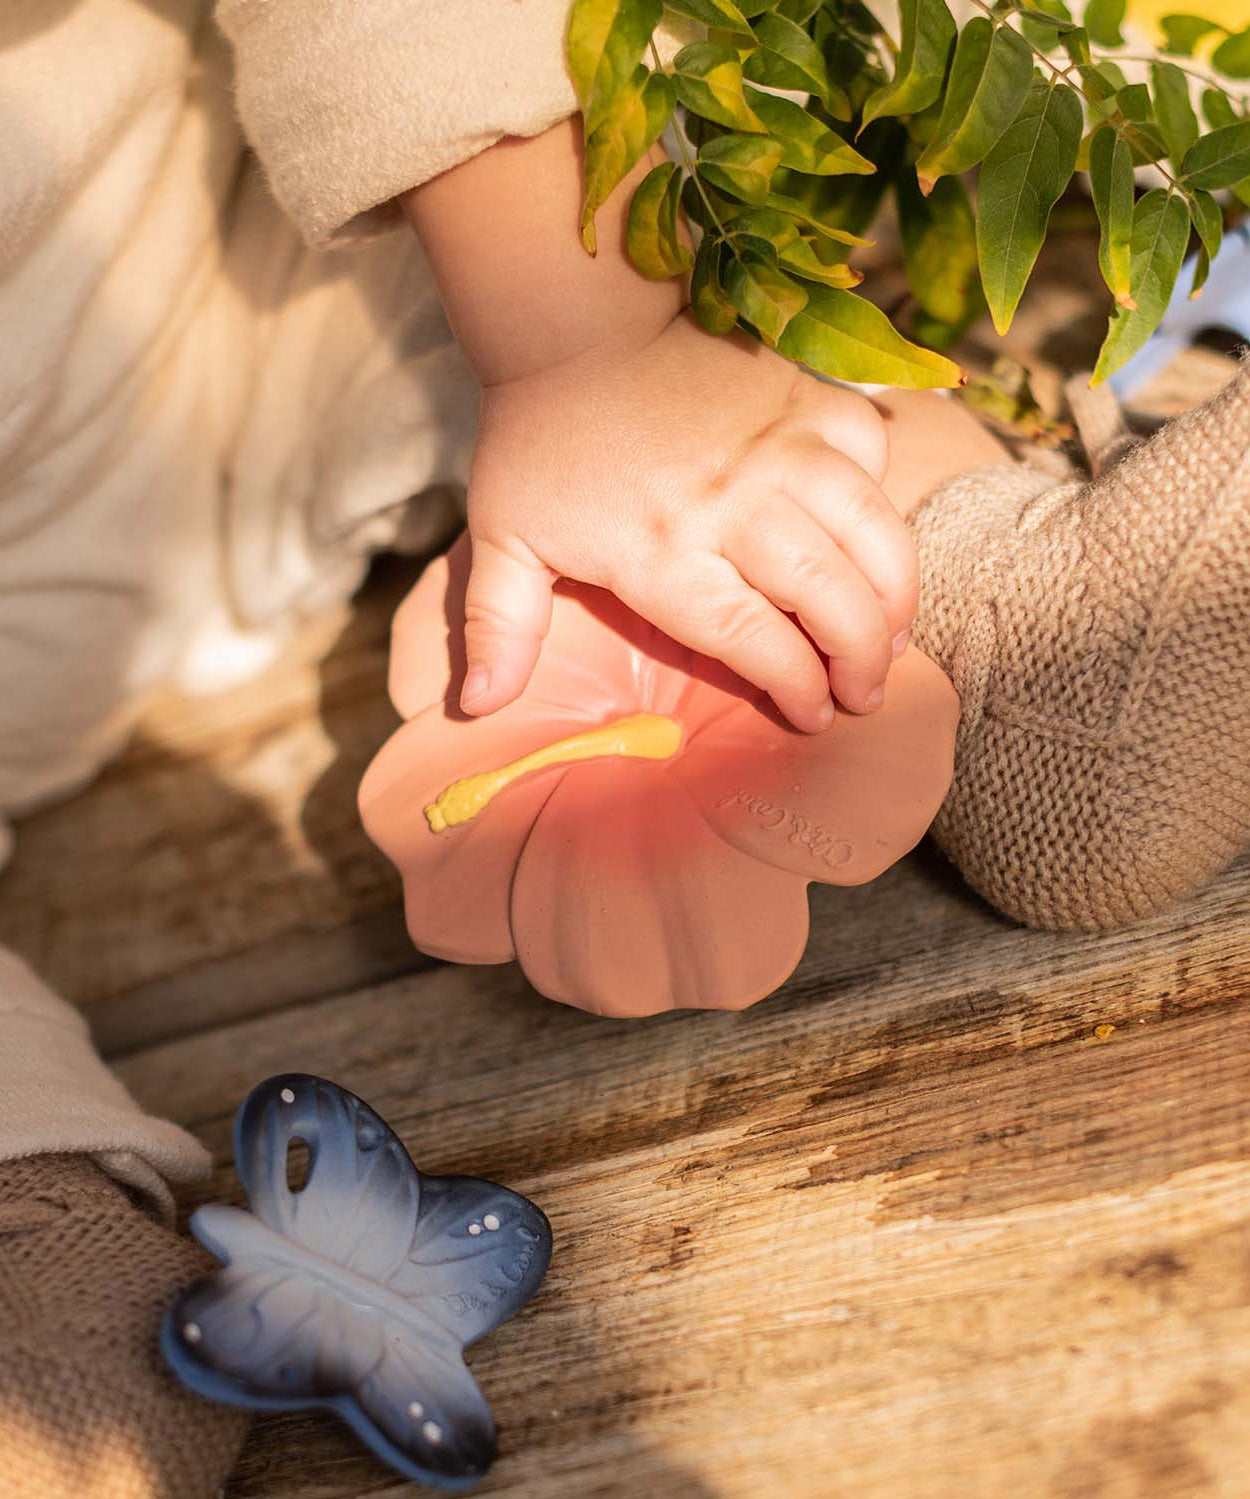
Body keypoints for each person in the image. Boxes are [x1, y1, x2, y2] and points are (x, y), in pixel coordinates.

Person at [0, 4, 1246, 1495]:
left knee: (728, 424)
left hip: (272, 257)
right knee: (682, 524)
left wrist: (574, 341)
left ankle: (1023, 642)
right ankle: (28, 1234)